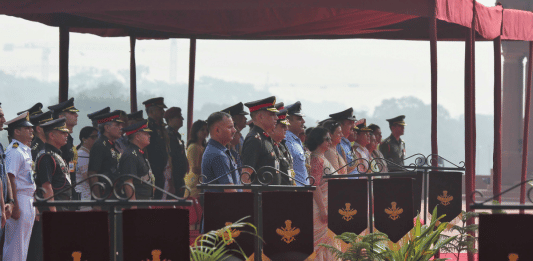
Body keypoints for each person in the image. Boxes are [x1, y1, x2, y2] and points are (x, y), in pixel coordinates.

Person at [2, 112, 36, 261]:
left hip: (28, 198)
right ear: (16, 131)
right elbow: (10, 177)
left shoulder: (24, 150)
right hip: (20, 198)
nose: (31, 131)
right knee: (15, 245)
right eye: (26, 128)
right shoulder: (14, 151)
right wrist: (14, 204)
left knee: (23, 244)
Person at [306, 127, 338, 260]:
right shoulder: (317, 160)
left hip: (325, 206)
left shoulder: (321, 158)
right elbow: (314, 185)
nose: (330, 141)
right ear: (319, 140)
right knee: (320, 245)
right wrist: (323, 210)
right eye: (327, 139)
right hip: (319, 208)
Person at [34, 118, 71, 212]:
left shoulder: (55, 154)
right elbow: (46, 186)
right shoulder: (46, 156)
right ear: (51, 135)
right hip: (53, 207)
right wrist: (53, 210)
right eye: (63, 133)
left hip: (63, 204)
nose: (66, 135)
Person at [242, 96, 280, 185]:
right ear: (260, 117)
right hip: (260, 196)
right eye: (272, 114)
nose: (276, 118)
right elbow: (245, 176)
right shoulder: (254, 139)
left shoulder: (266, 138)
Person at [87, 110, 125, 198]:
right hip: (104, 195)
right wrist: (98, 199)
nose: (121, 128)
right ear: (107, 128)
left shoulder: (111, 144)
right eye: (117, 125)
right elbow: (92, 173)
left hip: (114, 193)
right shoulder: (100, 145)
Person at [48, 98, 79, 199]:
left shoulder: (68, 138)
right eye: (72, 113)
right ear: (61, 117)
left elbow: (70, 163)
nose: (76, 115)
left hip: (69, 185)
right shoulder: (59, 139)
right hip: (59, 188)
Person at [119, 120, 155, 202]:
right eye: (146, 134)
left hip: (143, 199)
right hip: (137, 201)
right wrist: (133, 204)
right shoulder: (131, 155)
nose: (149, 136)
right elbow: (128, 182)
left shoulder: (139, 152)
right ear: (137, 137)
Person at [201, 112, 238, 191]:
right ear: (217, 130)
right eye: (230, 127)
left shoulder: (217, 150)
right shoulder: (218, 155)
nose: (234, 130)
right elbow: (230, 190)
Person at [142, 97, 170, 199]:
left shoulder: (160, 127)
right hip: (152, 169)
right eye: (160, 109)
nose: (163, 112)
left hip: (161, 170)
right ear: (152, 110)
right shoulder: (147, 127)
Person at [165, 107, 188, 197]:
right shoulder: (168, 136)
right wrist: (171, 182)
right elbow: (169, 159)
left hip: (179, 178)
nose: (182, 119)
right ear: (170, 119)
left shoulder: (176, 136)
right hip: (173, 179)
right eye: (178, 117)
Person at [284, 101, 308, 186]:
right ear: (288, 121)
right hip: (295, 192)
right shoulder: (286, 140)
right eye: (299, 119)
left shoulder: (295, 140)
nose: (303, 121)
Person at [75, 127, 98, 211]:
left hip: (88, 194)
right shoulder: (82, 154)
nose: (96, 139)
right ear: (84, 139)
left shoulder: (88, 152)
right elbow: (88, 178)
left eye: (97, 136)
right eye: (93, 137)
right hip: (84, 195)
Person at [270, 107, 295, 185]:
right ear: (273, 128)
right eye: (283, 126)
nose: (286, 129)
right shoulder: (271, 146)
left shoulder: (281, 146)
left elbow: (289, 168)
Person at [184, 120, 208, 199]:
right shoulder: (194, 146)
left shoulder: (202, 146)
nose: (205, 132)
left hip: (201, 181)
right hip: (195, 183)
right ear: (196, 131)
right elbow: (194, 168)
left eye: (206, 129)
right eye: (202, 129)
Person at [329, 108, 358, 174]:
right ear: (340, 125)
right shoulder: (337, 143)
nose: (353, 126)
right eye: (350, 123)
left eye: (353, 123)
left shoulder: (347, 143)